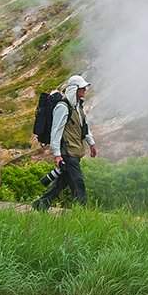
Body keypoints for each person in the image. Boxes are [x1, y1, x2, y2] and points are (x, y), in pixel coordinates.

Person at [33, 74, 97, 210]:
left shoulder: (78, 107)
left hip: (75, 151)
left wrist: (91, 144)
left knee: (61, 182)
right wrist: (57, 154)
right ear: (75, 89)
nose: (85, 91)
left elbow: (84, 127)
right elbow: (56, 131)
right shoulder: (63, 107)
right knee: (78, 182)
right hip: (67, 152)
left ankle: (41, 204)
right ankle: (82, 211)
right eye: (82, 88)